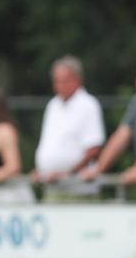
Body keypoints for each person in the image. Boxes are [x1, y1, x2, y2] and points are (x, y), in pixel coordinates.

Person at [32, 55, 105, 198]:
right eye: (57, 81)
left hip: (78, 189)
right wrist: (41, 170)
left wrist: (68, 174)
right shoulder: (53, 105)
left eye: (65, 81)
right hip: (52, 187)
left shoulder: (88, 105)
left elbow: (94, 148)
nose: (59, 86)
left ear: (78, 80)